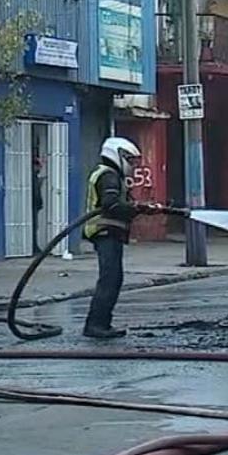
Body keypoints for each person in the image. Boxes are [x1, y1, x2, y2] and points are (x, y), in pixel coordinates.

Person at [82, 137, 145, 339]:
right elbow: (111, 205)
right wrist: (135, 208)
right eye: (130, 160)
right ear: (117, 154)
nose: (132, 166)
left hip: (109, 233)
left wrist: (137, 207)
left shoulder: (110, 175)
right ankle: (96, 325)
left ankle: (102, 323)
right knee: (110, 279)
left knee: (113, 279)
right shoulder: (109, 176)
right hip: (105, 233)